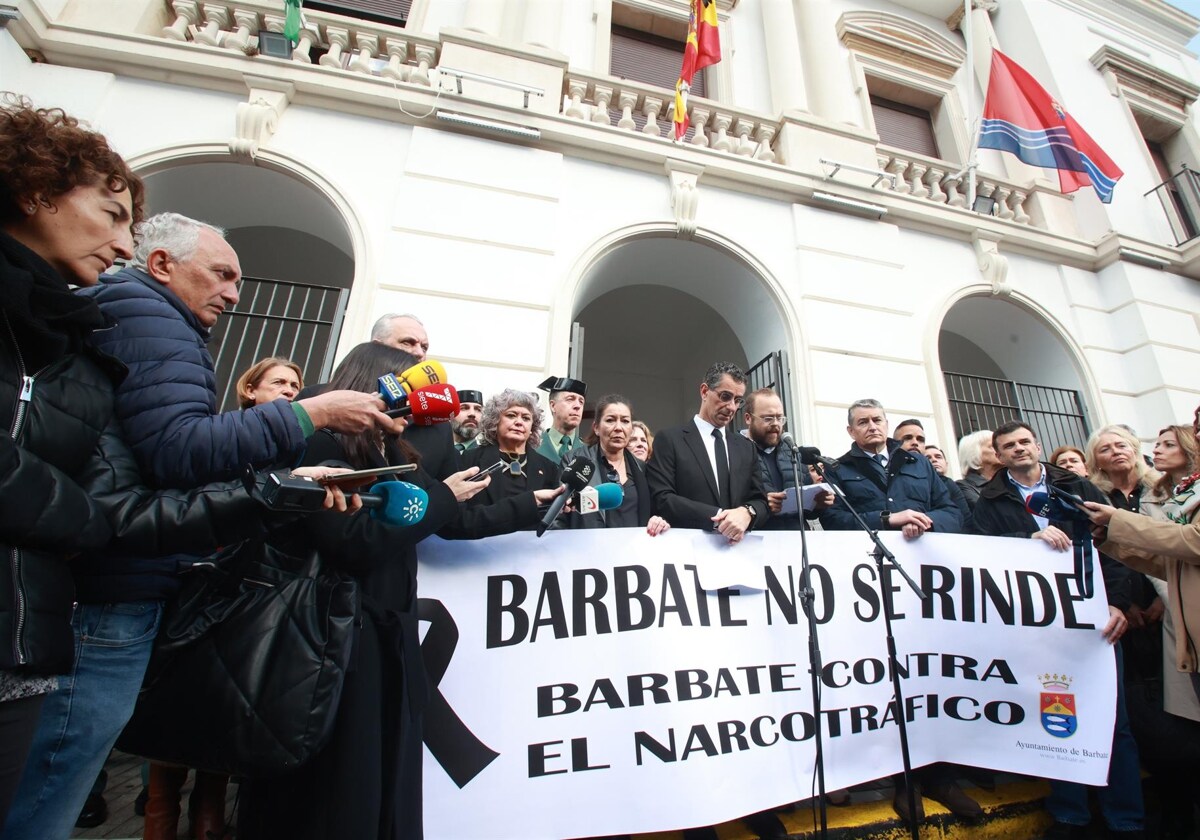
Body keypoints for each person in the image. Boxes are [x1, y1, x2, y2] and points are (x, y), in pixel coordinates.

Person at [0, 101, 350, 838]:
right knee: (44, 800)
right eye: (221, 274)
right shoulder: (148, 312)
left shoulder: (107, 313)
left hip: (85, 596)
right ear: (166, 265)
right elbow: (175, 454)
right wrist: (309, 420)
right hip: (101, 599)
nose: (232, 293)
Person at [238, 343, 491, 840]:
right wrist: (443, 497)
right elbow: (353, 545)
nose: (419, 406)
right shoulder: (320, 445)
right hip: (338, 643)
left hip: (381, 635)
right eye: (409, 389)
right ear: (378, 385)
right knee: (339, 795)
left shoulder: (387, 446)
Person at [971, 421, 1143, 839]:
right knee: (1055, 716)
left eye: (1024, 442)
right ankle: (1070, 813)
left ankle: (1126, 818)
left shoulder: (1078, 488)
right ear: (998, 454)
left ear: (1037, 445)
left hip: (1095, 622)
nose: (1018, 449)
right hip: (1040, 628)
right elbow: (981, 552)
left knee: (1111, 721)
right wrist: (1027, 537)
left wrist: (1118, 602)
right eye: (1008, 446)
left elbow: (1116, 544)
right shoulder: (989, 500)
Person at [819, 402, 972, 822]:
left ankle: (940, 776)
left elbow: (954, 511)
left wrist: (923, 521)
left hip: (925, 590)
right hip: (872, 592)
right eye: (863, 423)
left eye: (878, 421)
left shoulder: (918, 465)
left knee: (930, 679)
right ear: (850, 431)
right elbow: (834, 520)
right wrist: (889, 518)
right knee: (890, 684)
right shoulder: (838, 471)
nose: (872, 427)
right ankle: (903, 781)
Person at [1085, 405, 1200, 708]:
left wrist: (1116, 521)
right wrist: (1110, 540)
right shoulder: (1095, 492)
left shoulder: (1169, 491)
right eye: (1105, 448)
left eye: (1121, 445)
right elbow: (1171, 563)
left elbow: (1193, 542)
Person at [646, 362, 769, 542]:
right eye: (725, 396)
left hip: (739, 553)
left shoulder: (746, 447)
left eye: (737, 400)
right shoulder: (670, 439)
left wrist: (747, 513)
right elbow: (662, 498)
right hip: (688, 552)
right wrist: (718, 518)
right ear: (704, 391)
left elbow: (761, 502)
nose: (732, 407)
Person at [563, 395, 669, 535]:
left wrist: (658, 521)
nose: (618, 427)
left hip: (633, 552)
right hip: (588, 552)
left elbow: (655, 511)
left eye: (625, 421)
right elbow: (559, 515)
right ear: (596, 427)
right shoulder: (576, 461)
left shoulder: (642, 469)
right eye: (610, 420)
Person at [461, 389, 562, 521]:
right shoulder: (470, 459)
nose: (519, 422)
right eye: (511, 415)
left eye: (526, 418)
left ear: (532, 427)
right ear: (495, 421)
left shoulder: (549, 468)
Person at [742, 388, 830, 530]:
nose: (776, 424)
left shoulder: (792, 452)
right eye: (768, 418)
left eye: (780, 418)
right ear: (748, 418)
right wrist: (761, 505)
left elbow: (808, 513)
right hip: (758, 539)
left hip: (798, 539)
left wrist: (818, 504)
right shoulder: (735, 451)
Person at [893, 419, 971, 529]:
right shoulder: (888, 474)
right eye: (907, 438)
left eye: (920, 440)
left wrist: (921, 521)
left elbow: (957, 516)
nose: (915, 442)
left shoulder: (946, 483)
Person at [534, 375, 587, 464]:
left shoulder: (589, 451)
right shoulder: (533, 446)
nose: (577, 406)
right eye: (570, 399)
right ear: (553, 406)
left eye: (581, 402)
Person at [956, 429, 1000, 511]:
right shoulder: (963, 487)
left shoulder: (1011, 481)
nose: (1000, 450)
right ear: (973, 453)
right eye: (993, 446)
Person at [235, 356, 302, 409]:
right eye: (278, 382)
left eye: (294, 386)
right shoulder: (229, 424)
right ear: (250, 391)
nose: (289, 391)